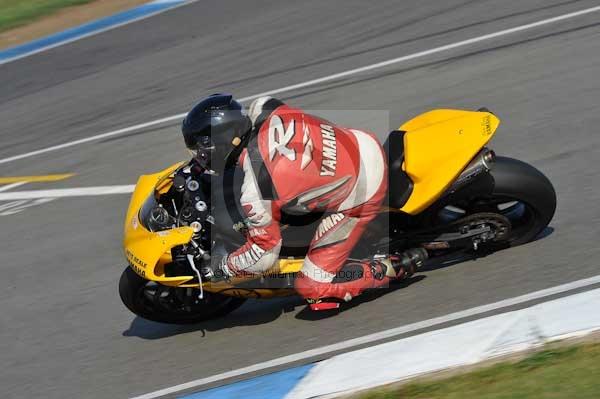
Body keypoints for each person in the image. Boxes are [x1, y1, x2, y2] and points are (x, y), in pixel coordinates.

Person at [181, 94, 426, 310]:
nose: (200, 157)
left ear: (224, 142)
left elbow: (263, 257)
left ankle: (390, 267)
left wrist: (221, 268)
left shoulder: (256, 191)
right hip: (359, 143)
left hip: (363, 190)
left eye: (203, 151)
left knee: (313, 286)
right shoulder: (264, 106)